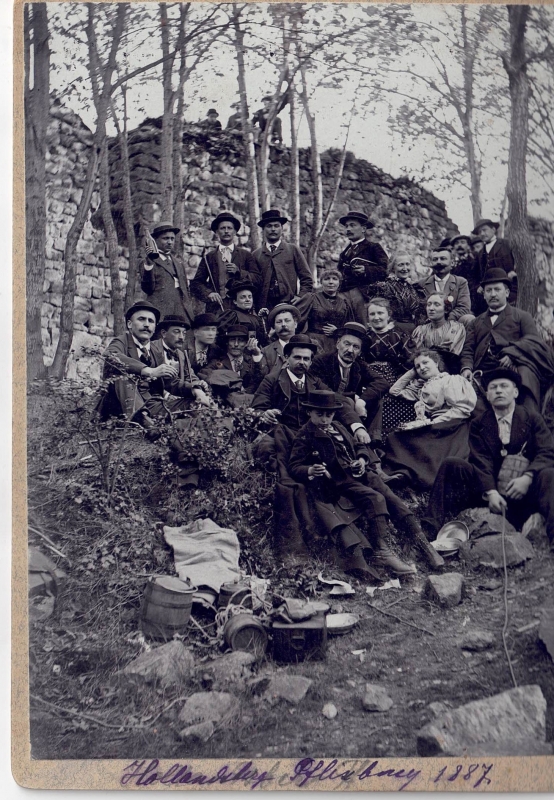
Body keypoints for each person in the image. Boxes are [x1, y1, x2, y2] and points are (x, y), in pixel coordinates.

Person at [288, 390, 443, 573]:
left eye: (328, 414)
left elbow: (359, 445)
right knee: (375, 498)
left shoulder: (338, 426)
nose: (324, 419)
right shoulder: (305, 435)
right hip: (340, 481)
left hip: (360, 473)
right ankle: (381, 552)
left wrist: (361, 460)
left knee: (390, 497)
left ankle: (422, 543)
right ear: (309, 412)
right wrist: (310, 470)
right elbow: (294, 465)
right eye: (319, 414)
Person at [425, 368, 554, 547]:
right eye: (493, 387)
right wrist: (491, 491)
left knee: (549, 474)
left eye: (504, 386)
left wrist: (527, 477)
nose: (499, 390)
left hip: (524, 491)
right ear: (487, 395)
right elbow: (480, 460)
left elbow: (547, 451)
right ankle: (430, 531)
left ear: (515, 392)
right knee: (451, 464)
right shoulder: (479, 423)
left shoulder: (531, 418)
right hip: (489, 492)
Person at [251, 334, 368, 465]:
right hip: (282, 433)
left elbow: (337, 400)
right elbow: (256, 409)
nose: (302, 362)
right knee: (269, 449)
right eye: (297, 357)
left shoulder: (315, 382)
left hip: (310, 434)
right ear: (286, 358)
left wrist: (357, 426)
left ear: (311, 362)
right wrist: (265, 414)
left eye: (306, 359)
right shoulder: (271, 380)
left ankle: (373, 470)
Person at [461, 268, 554, 412]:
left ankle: (529, 417)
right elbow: (468, 349)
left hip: (513, 367)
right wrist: (466, 367)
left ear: (507, 292)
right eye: (488, 290)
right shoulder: (476, 322)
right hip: (484, 369)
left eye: (497, 289)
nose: (493, 294)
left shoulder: (522, 316)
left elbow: (534, 342)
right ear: (484, 295)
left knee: (527, 376)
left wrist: (512, 354)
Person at [382, 349, 477, 489]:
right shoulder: (421, 388)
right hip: (432, 424)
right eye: (418, 366)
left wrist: (432, 422)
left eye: (426, 363)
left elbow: (462, 409)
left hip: (452, 424)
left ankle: (422, 475)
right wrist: (413, 372)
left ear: (437, 363)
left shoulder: (452, 380)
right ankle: (405, 474)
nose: (422, 367)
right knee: (394, 438)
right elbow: (394, 391)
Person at [310, 321, 389, 430]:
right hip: (327, 409)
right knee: (350, 401)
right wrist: (352, 397)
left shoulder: (360, 365)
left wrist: (361, 401)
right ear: (338, 343)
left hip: (351, 408)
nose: (350, 350)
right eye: (347, 344)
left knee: (376, 401)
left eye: (356, 347)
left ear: (360, 352)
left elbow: (382, 382)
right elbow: (326, 392)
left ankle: (373, 441)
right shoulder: (322, 361)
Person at [190, 211, 260, 315]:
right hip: (216, 309)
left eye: (229, 228)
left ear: (235, 232)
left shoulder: (246, 255)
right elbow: (196, 283)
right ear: (217, 232)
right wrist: (209, 294)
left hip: (241, 310)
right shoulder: (209, 257)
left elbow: (257, 279)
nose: (226, 231)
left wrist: (239, 272)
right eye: (222, 228)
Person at [253, 209, 313, 312]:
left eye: (276, 226)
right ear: (263, 229)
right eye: (269, 226)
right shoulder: (256, 254)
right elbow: (253, 283)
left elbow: (307, 278)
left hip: (288, 303)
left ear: (281, 228)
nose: (273, 229)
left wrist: (300, 296)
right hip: (265, 306)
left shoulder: (292, 249)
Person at [337, 211, 388, 320]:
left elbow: (385, 269)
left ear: (363, 229)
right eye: (346, 226)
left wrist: (366, 270)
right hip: (344, 293)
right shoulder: (345, 252)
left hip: (364, 295)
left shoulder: (373, 248)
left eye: (352, 225)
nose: (348, 229)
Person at [140, 223, 194, 325]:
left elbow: (186, 290)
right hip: (161, 315)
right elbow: (147, 288)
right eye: (165, 238)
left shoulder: (178, 263)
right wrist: (149, 264)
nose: (170, 242)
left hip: (183, 314)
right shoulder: (148, 262)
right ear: (155, 240)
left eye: (172, 239)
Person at [295, 268, 356, 353]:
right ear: (321, 282)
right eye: (327, 279)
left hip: (336, 344)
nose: (331, 282)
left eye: (334, 279)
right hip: (314, 341)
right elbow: (296, 319)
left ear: (339, 283)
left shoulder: (345, 303)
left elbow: (349, 327)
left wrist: (337, 331)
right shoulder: (311, 298)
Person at [203, 324, 266, 402]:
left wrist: (256, 354)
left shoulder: (252, 362)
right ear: (227, 342)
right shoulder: (217, 362)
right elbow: (203, 375)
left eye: (240, 340)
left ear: (246, 343)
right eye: (232, 340)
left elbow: (260, 379)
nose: (236, 344)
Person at [367, 252, 425, 334]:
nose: (405, 268)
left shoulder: (413, 287)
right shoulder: (384, 287)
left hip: (415, 331)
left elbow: (420, 312)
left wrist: (420, 326)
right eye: (401, 265)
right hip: (393, 332)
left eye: (407, 264)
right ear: (393, 267)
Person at [409, 293, 466, 374]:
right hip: (425, 372)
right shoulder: (420, 330)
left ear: (446, 309)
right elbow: (418, 355)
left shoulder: (456, 328)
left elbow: (451, 355)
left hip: (450, 372)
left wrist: (429, 350)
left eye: (437, 304)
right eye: (429, 305)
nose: (431, 308)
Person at [416, 246, 473, 326]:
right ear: (431, 263)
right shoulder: (422, 284)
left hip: (453, 322)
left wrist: (446, 320)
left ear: (452, 263)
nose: (438, 262)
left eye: (443, 259)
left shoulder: (460, 282)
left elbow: (464, 307)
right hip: (430, 323)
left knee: (468, 319)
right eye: (435, 259)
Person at [364, 298, 411, 384]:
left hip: (394, 380)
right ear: (368, 317)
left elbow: (409, 361)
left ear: (388, 315)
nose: (376, 317)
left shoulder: (399, 336)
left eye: (380, 313)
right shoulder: (365, 336)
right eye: (372, 314)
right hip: (368, 379)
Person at [472, 218, 516, 305]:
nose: (482, 234)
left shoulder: (507, 244)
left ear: (493, 229)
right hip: (491, 293)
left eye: (484, 230)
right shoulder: (480, 253)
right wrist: (480, 285)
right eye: (479, 232)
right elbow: (476, 274)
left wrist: (514, 272)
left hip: (510, 289)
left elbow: (520, 261)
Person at [216, 280, 267, 345]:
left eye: (250, 297)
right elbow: (222, 338)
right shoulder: (232, 315)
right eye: (243, 297)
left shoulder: (256, 318)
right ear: (235, 301)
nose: (247, 300)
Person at [262, 303, 301, 372]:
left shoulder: (310, 345)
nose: (283, 324)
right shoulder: (266, 352)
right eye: (279, 322)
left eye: (287, 321)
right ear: (274, 327)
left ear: (295, 323)